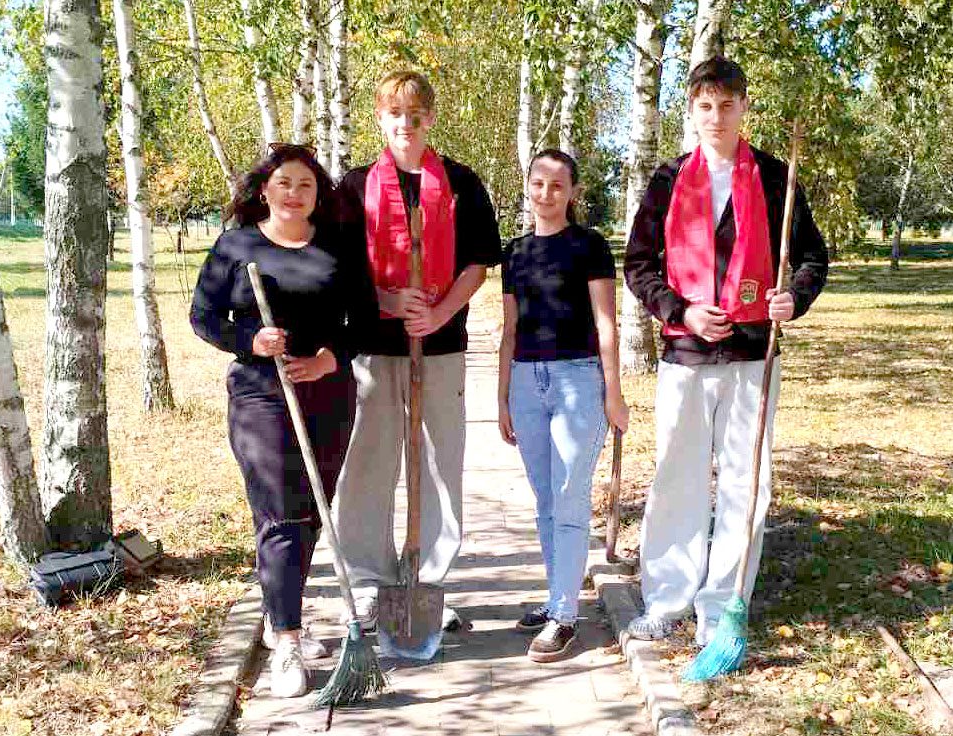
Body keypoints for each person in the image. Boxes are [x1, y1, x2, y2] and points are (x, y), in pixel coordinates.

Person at [623, 57, 829, 645]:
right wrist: (680, 310)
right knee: (676, 478)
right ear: (692, 110)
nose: (716, 116)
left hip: (753, 354)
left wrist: (794, 297)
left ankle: (722, 606)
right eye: (705, 106)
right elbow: (638, 265)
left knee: (745, 481)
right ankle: (667, 600)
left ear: (744, 107)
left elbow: (812, 257)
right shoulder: (669, 179)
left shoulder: (774, 176)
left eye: (727, 105)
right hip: (686, 353)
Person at [190, 143, 377, 698]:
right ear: (265, 190)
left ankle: (280, 615)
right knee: (281, 511)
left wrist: (327, 360)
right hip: (260, 395)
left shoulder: (338, 247)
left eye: (305, 185)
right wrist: (250, 339)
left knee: (312, 508)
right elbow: (203, 316)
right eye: (284, 183)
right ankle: (289, 640)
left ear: (319, 195)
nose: (294, 194)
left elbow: (366, 321)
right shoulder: (237, 246)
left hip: (329, 393)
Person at [333, 70, 501, 630]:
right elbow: (340, 267)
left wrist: (439, 312)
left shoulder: (461, 182)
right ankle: (370, 580)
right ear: (380, 118)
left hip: (442, 345)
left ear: (430, 118)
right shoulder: (355, 186)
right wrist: (384, 298)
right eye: (395, 113)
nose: (406, 123)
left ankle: (429, 580)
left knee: (438, 462)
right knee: (369, 462)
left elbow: (478, 262)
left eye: (416, 114)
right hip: (374, 347)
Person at [498, 149, 630, 662]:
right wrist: (502, 396)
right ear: (527, 186)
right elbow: (510, 329)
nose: (546, 193)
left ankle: (565, 617)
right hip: (526, 382)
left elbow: (606, 323)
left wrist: (613, 392)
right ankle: (558, 597)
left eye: (557, 185)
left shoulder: (588, 245)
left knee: (570, 496)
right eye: (538, 183)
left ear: (573, 192)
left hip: (578, 380)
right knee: (546, 500)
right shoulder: (515, 252)